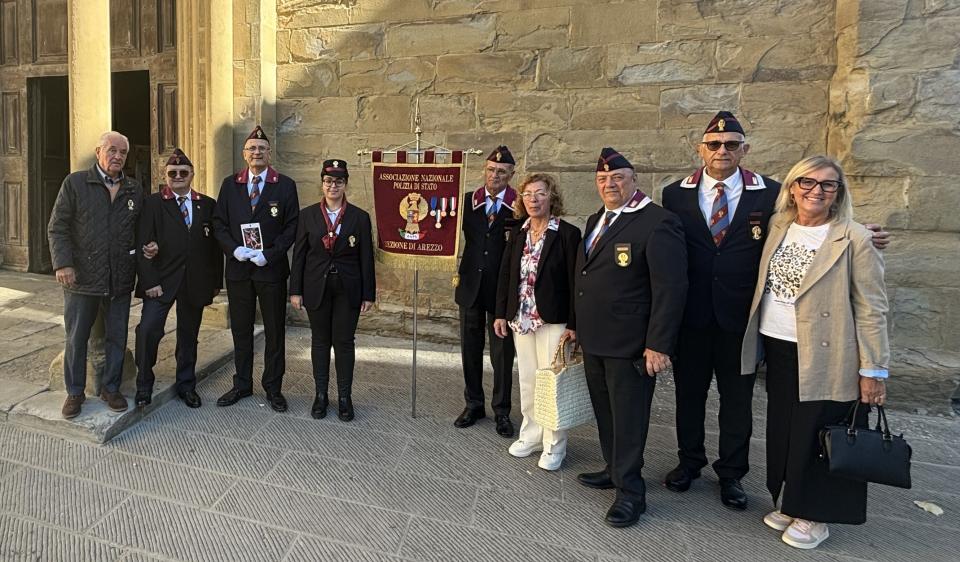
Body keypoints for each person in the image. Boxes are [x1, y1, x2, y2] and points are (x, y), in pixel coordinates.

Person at [661, 111, 893, 510]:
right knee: (689, 397)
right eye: (714, 144)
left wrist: (861, 231)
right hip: (692, 318)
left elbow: (811, 220)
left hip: (742, 321)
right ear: (700, 149)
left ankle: (731, 474)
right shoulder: (674, 194)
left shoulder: (767, 192)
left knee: (737, 402)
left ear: (744, 149)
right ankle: (689, 462)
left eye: (731, 144)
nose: (722, 151)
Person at [740, 155, 889, 550]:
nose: (815, 191)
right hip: (778, 344)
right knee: (787, 429)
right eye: (807, 182)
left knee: (821, 432)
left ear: (838, 193)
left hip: (828, 351)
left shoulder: (855, 237)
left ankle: (816, 515)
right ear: (792, 187)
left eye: (827, 184)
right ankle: (792, 502)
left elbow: (873, 306)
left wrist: (874, 369)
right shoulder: (779, 225)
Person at [575, 148, 687, 528]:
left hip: (631, 343)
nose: (610, 184)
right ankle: (613, 468)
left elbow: (671, 288)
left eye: (618, 178)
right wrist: (576, 325)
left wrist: (658, 344)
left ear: (634, 179)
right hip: (595, 339)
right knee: (605, 412)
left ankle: (631, 493)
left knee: (629, 418)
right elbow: (586, 278)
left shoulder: (657, 222)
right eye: (603, 179)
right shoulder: (596, 219)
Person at [47, 131, 145, 419]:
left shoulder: (133, 189)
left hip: (120, 278)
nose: (117, 156)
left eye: (122, 152)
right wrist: (63, 264)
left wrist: (147, 248)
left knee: (117, 335)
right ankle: (75, 392)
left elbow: (139, 231)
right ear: (98, 151)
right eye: (111, 150)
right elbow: (58, 227)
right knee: (77, 337)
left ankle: (111, 387)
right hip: (82, 278)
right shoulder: (76, 183)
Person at [493, 173, 581, 471]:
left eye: (540, 193)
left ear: (551, 197)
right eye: (528, 194)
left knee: (552, 381)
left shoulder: (567, 234)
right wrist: (502, 313)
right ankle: (531, 435)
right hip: (522, 317)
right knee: (528, 379)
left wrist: (574, 323)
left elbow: (575, 281)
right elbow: (507, 275)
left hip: (552, 319)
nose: (533, 199)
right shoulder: (519, 232)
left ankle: (554, 444)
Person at [213, 125, 299, 412]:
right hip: (238, 270)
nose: (257, 152)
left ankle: (273, 388)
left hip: (270, 270)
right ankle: (242, 384)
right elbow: (219, 224)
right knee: (241, 330)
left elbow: (291, 228)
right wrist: (234, 249)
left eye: (262, 148)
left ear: (269, 153)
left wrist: (271, 255)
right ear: (244, 154)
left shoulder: (284, 185)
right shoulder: (230, 184)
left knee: (275, 331)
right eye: (252, 148)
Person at [133, 148, 224, 408]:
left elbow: (214, 249)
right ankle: (144, 384)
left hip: (194, 281)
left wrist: (216, 282)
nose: (178, 176)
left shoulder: (206, 204)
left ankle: (186, 385)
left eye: (183, 172)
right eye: (172, 173)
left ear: (192, 174)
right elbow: (142, 245)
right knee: (148, 330)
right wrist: (149, 282)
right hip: (160, 282)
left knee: (188, 335)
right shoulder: (152, 203)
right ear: (165, 175)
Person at [290, 159, 375, 421]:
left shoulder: (359, 217)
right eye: (328, 181)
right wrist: (295, 290)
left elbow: (366, 258)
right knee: (320, 341)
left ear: (345, 184)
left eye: (338, 181)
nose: (333, 186)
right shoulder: (308, 216)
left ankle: (345, 397)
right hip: (317, 287)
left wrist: (368, 293)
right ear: (322, 184)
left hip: (348, 288)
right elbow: (300, 256)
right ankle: (321, 395)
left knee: (344, 343)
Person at [453, 146, 518, 437]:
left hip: (502, 289)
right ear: (484, 171)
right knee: (470, 347)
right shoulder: (468, 202)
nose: (495, 175)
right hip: (470, 284)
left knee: (502, 352)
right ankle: (474, 403)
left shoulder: (519, 206)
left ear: (511, 175)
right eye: (491, 170)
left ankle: (502, 410)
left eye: (502, 172)